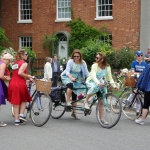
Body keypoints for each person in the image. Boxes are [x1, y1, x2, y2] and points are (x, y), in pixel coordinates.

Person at [84, 52, 117, 124]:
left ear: (102, 59)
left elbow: (109, 78)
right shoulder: (94, 66)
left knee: (102, 101)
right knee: (94, 87)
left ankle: (101, 119)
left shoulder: (107, 67)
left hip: (101, 83)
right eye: (96, 57)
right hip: (92, 81)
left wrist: (114, 86)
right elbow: (93, 76)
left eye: (97, 58)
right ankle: (86, 101)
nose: (96, 59)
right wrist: (98, 83)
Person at [7, 49, 34, 126]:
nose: (27, 55)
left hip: (12, 82)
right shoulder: (24, 63)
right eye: (25, 54)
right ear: (22, 55)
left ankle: (16, 120)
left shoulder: (14, 63)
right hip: (19, 83)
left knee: (16, 102)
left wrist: (26, 78)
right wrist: (28, 76)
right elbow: (20, 73)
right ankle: (21, 114)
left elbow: (15, 73)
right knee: (24, 99)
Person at [61, 49, 89, 120]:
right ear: (73, 56)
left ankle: (74, 113)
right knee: (70, 85)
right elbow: (67, 71)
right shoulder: (70, 61)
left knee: (75, 95)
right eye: (75, 56)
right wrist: (71, 77)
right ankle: (68, 102)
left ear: (80, 57)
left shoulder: (83, 63)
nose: (76, 58)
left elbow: (86, 73)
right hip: (68, 77)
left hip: (77, 79)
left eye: (78, 56)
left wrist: (90, 79)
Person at [128, 50, 147, 116]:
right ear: (136, 56)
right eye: (139, 55)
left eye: (141, 55)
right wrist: (140, 74)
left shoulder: (144, 63)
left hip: (142, 81)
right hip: (136, 80)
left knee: (139, 96)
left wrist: (140, 74)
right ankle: (137, 110)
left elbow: (146, 72)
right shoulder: (134, 63)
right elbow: (133, 72)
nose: (140, 57)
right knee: (136, 94)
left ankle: (138, 110)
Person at [0, 52, 13, 127]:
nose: (9, 62)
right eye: (9, 60)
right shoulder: (3, 64)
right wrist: (7, 78)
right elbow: (1, 75)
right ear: (6, 59)